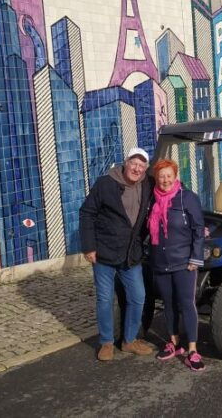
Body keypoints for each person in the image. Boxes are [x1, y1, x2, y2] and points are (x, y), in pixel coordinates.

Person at [80, 147, 154, 361]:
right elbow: (87, 213)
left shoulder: (147, 185)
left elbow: (170, 185)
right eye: (134, 163)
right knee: (104, 299)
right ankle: (106, 342)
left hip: (131, 254)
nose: (137, 168)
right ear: (126, 163)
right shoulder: (105, 183)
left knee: (138, 297)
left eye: (141, 165)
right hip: (104, 253)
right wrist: (88, 246)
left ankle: (129, 340)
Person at [147, 159, 206, 372]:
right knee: (168, 303)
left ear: (175, 176)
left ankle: (192, 350)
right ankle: (174, 343)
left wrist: (195, 258)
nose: (165, 180)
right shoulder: (151, 198)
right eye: (161, 176)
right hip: (161, 262)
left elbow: (199, 229)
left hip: (184, 262)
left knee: (186, 303)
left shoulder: (187, 198)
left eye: (168, 175)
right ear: (156, 177)